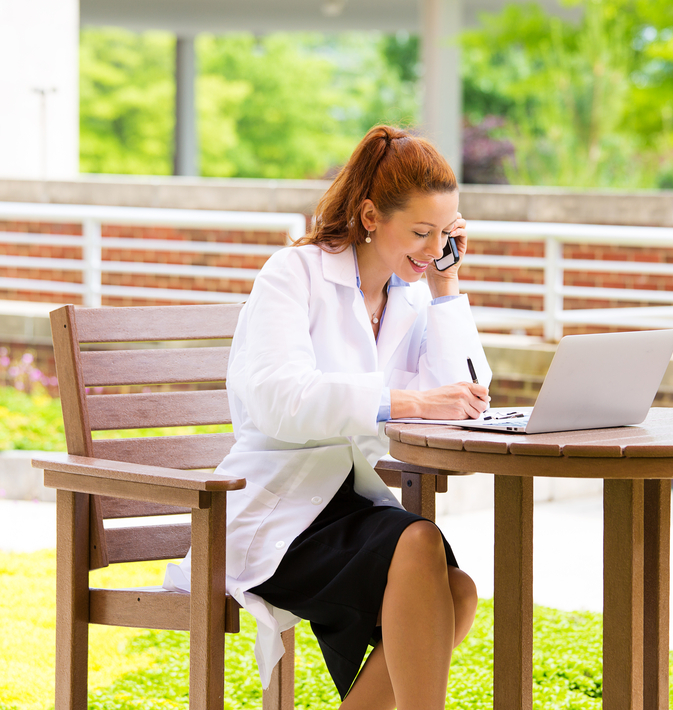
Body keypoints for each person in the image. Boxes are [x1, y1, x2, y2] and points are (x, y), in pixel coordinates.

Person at [164, 125, 493, 710]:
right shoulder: (295, 275)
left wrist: (446, 286)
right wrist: (410, 401)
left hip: (347, 500)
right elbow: (281, 399)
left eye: (446, 233)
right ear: (371, 215)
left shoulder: (412, 293)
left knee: (458, 592)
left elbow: (466, 393)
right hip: (272, 508)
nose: (433, 247)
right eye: (421, 233)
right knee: (420, 543)